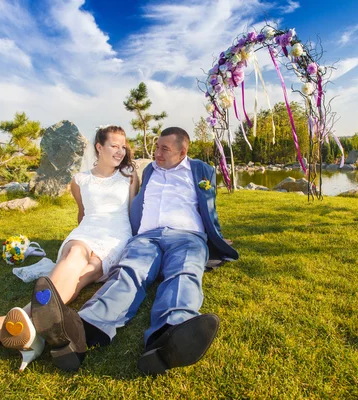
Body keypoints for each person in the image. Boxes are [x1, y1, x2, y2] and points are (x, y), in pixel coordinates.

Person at [30, 126, 239, 374]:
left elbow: (209, 208)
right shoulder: (149, 170)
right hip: (146, 237)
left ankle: (170, 332)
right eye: (157, 146)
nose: (157, 153)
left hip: (187, 236)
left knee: (184, 272)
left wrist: (217, 238)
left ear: (183, 152)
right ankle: (85, 328)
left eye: (165, 149)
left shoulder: (201, 171)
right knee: (129, 273)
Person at [0, 125, 139, 371]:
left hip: (116, 235)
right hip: (87, 231)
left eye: (124, 146)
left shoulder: (129, 175)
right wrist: (80, 240)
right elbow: (82, 214)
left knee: (86, 272)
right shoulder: (80, 180)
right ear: (99, 147)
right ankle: (21, 329)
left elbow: (134, 211)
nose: (121, 151)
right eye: (114, 145)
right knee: (74, 256)